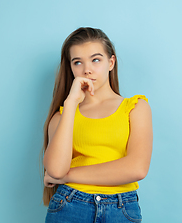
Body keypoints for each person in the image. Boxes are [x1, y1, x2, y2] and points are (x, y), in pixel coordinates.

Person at [40, 27, 153, 223]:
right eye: (77, 62)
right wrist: (71, 103)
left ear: (111, 62)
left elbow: (137, 168)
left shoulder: (135, 108)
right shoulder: (62, 116)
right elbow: (56, 170)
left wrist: (67, 177)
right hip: (70, 205)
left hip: (121, 209)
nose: (87, 69)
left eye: (96, 59)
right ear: (71, 68)